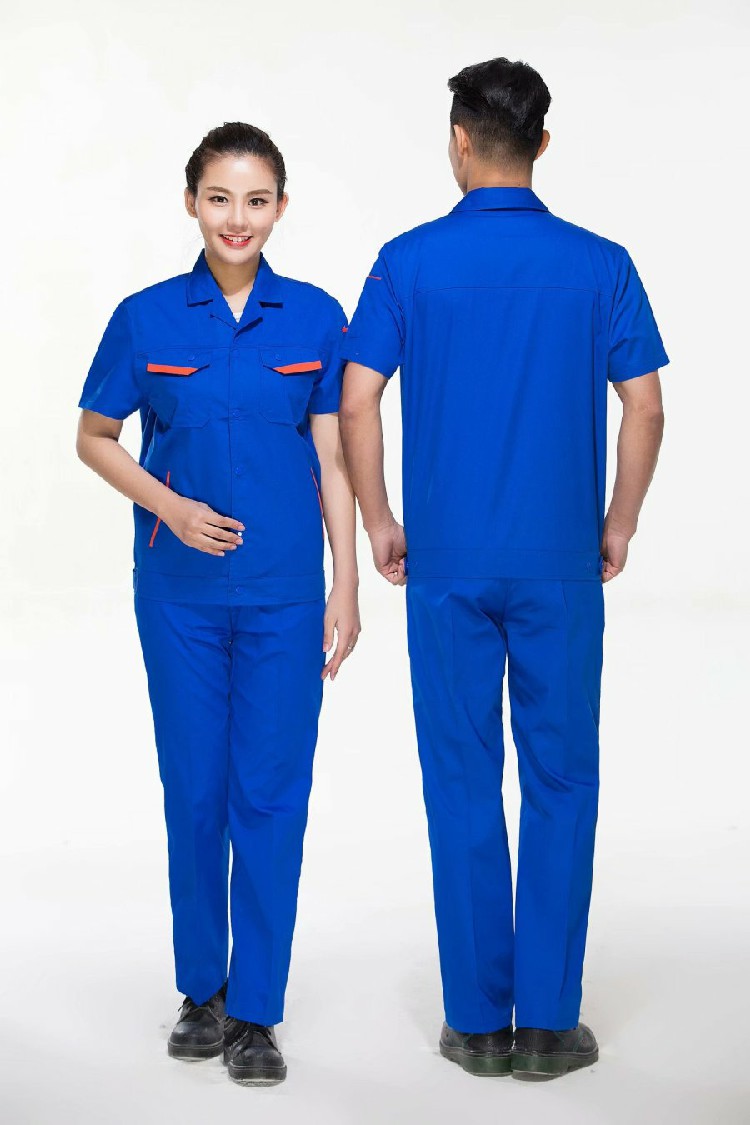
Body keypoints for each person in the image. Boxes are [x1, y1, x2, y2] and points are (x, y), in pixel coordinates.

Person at [339, 58, 667, 1081]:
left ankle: (477, 1023)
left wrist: (380, 520)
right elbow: (646, 405)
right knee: (562, 780)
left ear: (459, 140)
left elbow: (356, 399)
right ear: (542, 143)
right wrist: (617, 523)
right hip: (560, 562)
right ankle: (550, 1026)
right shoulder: (602, 264)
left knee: (462, 777)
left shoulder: (406, 262)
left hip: (446, 564)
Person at [76, 122, 360, 1087]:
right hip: (181, 597)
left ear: (280, 207)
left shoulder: (314, 317)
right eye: (220, 198)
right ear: (191, 202)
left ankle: (257, 1010)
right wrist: (172, 507)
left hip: (286, 595)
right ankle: (202, 989)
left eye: (257, 200)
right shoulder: (147, 317)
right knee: (196, 790)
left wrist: (346, 582)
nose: (238, 218)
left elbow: (332, 458)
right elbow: (95, 435)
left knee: (270, 796)